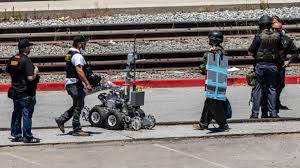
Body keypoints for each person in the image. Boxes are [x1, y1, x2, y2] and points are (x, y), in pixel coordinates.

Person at [55, 35, 92, 136]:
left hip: (70, 83)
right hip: (74, 84)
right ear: (79, 44)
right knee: (79, 105)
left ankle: (61, 120)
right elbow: (79, 70)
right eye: (84, 43)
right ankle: (76, 129)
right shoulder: (77, 56)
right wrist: (87, 83)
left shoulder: (69, 53)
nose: (85, 45)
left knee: (78, 104)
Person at [248, 15, 283, 118]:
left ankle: (254, 114)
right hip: (272, 65)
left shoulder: (259, 37)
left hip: (260, 65)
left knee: (257, 89)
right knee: (272, 88)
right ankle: (273, 112)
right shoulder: (277, 36)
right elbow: (281, 49)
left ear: (261, 25)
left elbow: (250, 51)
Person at [193, 31, 229, 130]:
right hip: (220, 80)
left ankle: (223, 123)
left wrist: (201, 67)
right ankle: (203, 123)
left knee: (213, 103)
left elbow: (207, 67)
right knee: (209, 102)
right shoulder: (222, 51)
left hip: (213, 80)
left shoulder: (211, 53)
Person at [6, 39, 40, 143]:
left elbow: (8, 70)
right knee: (27, 113)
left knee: (17, 112)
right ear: (25, 48)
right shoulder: (26, 60)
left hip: (15, 91)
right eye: (29, 47)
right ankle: (27, 136)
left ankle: (16, 135)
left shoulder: (13, 59)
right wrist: (35, 72)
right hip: (26, 92)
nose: (30, 48)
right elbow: (30, 78)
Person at [273, 20, 299, 111]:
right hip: (269, 66)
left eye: (278, 29)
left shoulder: (286, 40)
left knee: (280, 85)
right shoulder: (266, 38)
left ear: (281, 29)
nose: (275, 30)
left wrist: (289, 61)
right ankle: (270, 106)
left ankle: (275, 103)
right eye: (274, 29)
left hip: (280, 66)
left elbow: (296, 52)